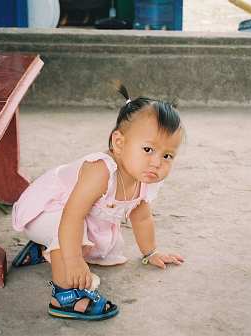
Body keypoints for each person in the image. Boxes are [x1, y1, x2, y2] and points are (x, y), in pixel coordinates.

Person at [11, 83, 185, 321]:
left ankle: (44, 249)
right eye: (148, 149)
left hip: (68, 216)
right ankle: (65, 297)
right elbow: (71, 216)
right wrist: (72, 261)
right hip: (44, 209)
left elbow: (141, 216)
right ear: (119, 142)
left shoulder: (145, 177)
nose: (157, 162)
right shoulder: (101, 170)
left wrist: (150, 252)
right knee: (75, 244)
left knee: (90, 244)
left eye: (167, 155)